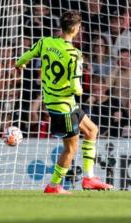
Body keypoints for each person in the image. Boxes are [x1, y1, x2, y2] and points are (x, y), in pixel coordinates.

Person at [16, 11, 112, 194]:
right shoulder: (74, 54)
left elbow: (24, 57)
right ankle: (53, 186)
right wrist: (82, 90)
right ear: (76, 29)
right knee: (70, 149)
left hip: (61, 102)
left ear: (61, 27)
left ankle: (89, 178)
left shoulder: (46, 42)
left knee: (92, 130)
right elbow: (77, 87)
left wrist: (20, 64)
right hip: (63, 106)